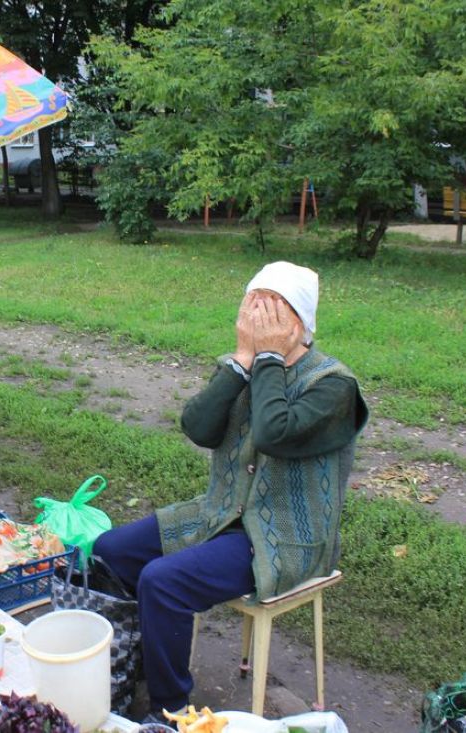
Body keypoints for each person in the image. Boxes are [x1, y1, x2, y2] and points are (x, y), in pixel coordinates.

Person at [92, 262, 369, 723]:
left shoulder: (334, 386)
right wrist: (243, 361)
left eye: (270, 307)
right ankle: (134, 663)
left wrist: (267, 361)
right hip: (220, 514)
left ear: (297, 322)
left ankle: (170, 710)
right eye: (251, 303)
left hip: (284, 535)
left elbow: (273, 433)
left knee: (163, 581)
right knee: (110, 549)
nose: (256, 315)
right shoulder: (243, 366)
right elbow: (198, 427)